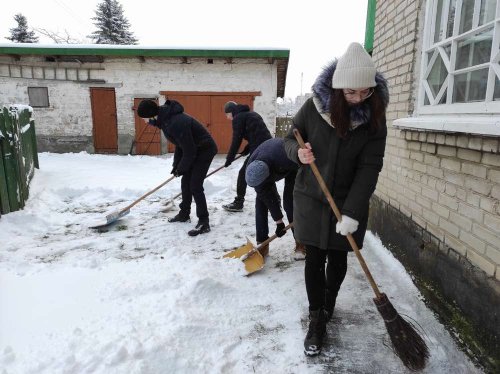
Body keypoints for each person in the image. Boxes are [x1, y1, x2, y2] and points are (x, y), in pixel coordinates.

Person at [283, 42, 389, 357]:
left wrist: (353, 212)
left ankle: (329, 306)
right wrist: (298, 154)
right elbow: (290, 139)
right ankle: (316, 318)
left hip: (348, 202)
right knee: (314, 259)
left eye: (365, 92)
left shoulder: (374, 118)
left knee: (339, 258)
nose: (358, 98)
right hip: (312, 198)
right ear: (337, 87)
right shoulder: (313, 108)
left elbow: (370, 166)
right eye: (351, 93)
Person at [137, 99, 218, 236]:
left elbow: (189, 150)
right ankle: (184, 214)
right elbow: (180, 145)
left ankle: (204, 222)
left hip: (205, 150)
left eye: (145, 118)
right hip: (194, 150)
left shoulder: (176, 122)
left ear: (151, 114)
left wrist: (182, 167)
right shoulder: (165, 120)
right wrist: (177, 166)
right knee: (185, 183)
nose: (145, 121)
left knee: (195, 185)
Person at [244, 138, 305, 260]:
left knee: (290, 203)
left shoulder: (284, 157)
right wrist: (279, 222)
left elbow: (305, 168)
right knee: (261, 201)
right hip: (270, 162)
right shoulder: (252, 168)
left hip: (293, 163)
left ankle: (301, 243)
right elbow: (267, 195)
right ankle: (262, 243)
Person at [222, 101, 272, 212]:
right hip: (268, 146)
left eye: (227, 115)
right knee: (265, 173)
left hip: (259, 148)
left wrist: (229, 158)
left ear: (230, 112)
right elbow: (257, 134)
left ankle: (238, 202)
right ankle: (275, 199)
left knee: (243, 173)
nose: (227, 118)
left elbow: (236, 140)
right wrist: (247, 149)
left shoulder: (238, 118)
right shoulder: (251, 114)